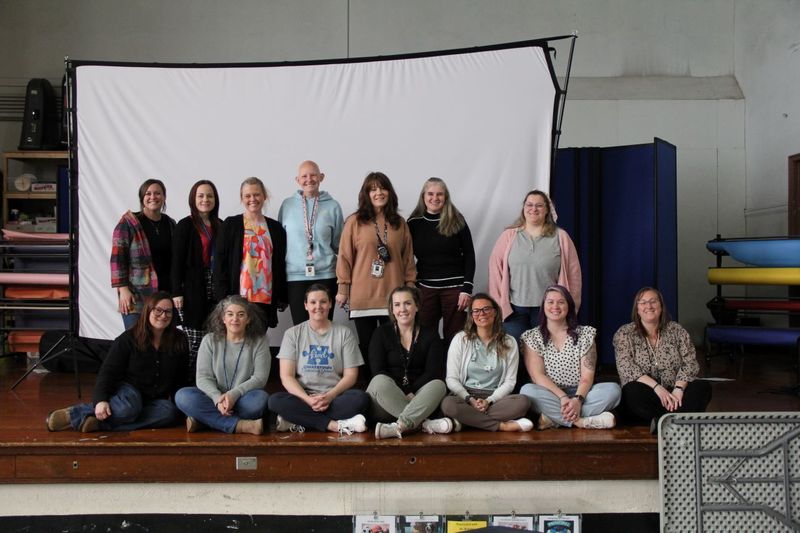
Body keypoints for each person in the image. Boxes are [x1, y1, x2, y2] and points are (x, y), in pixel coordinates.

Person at [45, 292, 188, 433]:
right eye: (158, 310)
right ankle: (74, 413)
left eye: (168, 312)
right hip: (129, 391)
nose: (163, 316)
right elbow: (108, 371)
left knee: (170, 413)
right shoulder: (128, 338)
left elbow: (180, 377)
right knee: (128, 409)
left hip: (153, 399)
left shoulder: (180, 340)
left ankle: (100, 424)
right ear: (148, 311)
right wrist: (100, 400)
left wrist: (183, 406)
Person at [488, 189, 581, 390]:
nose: (533, 209)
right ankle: (518, 398)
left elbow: (573, 276)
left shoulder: (560, 236)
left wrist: (570, 308)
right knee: (514, 357)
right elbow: (495, 271)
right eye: (529, 204)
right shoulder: (509, 236)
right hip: (514, 310)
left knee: (545, 356)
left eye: (539, 205)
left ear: (547, 210)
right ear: (523, 208)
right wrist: (498, 305)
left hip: (549, 312)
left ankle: (543, 397)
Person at [336, 172, 416, 367]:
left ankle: (392, 386)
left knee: (393, 345)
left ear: (389, 192)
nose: (378, 192)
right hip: (363, 296)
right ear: (366, 194)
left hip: (394, 297)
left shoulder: (399, 223)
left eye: (382, 188)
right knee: (368, 346)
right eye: (373, 189)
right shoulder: (354, 222)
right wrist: (342, 289)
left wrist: (411, 286)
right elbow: (344, 257)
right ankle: (372, 388)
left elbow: (408, 258)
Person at [268, 284, 370, 435]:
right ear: (305, 305)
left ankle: (297, 420)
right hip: (303, 398)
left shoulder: (344, 333)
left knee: (360, 398)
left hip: (334, 397)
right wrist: (308, 400)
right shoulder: (292, 334)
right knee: (274, 401)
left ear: (330, 304)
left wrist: (329, 396)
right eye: (313, 302)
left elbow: (351, 375)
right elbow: (286, 376)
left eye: (323, 302)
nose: (318, 306)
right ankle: (335, 425)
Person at [520, 285, 620, 430]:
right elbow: (538, 376)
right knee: (527, 391)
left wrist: (577, 401)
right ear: (543, 306)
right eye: (550, 302)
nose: (555, 306)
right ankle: (582, 422)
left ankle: (554, 419)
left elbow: (587, 376)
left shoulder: (585, 334)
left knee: (613, 390)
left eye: (561, 302)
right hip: (550, 394)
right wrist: (563, 397)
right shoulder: (532, 337)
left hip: (582, 393)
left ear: (569, 306)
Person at [613, 287, 712, 433]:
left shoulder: (677, 330)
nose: (649, 306)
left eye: (653, 301)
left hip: (676, 393)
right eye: (643, 303)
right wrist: (657, 388)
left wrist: (678, 389)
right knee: (631, 391)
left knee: (702, 387)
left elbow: (690, 363)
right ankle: (678, 421)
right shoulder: (624, 333)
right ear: (637, 309)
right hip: (647, 393)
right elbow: (627, 368)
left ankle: (662, 422)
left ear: (661, 305)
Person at [174, 296, 269, 435]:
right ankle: (240, 425)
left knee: (260, 400)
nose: (235, 319)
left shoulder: (259, 341)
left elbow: (260, 378)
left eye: (241, 314)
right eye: (230, 314)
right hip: (213, 399)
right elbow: (203, 377)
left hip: (243, 398)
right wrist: (218, 399)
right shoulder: (209, 340)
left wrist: (233, 395)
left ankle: (205, 420)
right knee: (182, 396)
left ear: (248, 319)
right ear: (223, 318)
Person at [440, 293, 533, 432]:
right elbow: (451, 378)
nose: (481, 314)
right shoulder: (461, 339)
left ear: (495, 312)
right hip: (466, 396)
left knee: (523, 402)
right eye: (476, 311)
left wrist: (489, 401)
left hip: (495, 398)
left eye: (486, 309)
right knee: (448, 405)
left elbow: (510, 382)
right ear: (471, 315)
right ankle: (502, 426)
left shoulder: (509, 342)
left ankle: (465, 421)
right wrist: (470, 400)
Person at [367, 286, 451, 439]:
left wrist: (413, 392)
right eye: (397, 305)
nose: (402, 309)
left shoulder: (430, 335)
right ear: (392, 309)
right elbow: (378, 370)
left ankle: (399, 426)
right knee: (379, 381)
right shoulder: (381, 333)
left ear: (417, 306)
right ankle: (423, 424)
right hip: (387, 401)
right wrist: (405, 392)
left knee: (439, 385)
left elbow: (433, 372)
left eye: (407, 303)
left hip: (419, 398)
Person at [407, 177, 476, 347]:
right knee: (423, 333)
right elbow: (406, 257)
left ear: (446, 197)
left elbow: (469, 254)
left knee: (455, 336)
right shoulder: (413, 223)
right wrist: (411, 285)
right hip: (425, 288)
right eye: (430, 194)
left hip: (455, 289)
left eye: (440, 194)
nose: (435, 198)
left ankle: (451, 372)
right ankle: (430, 372)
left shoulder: (457, 220)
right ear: (423, 196)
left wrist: (467, 288)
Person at [216, 177, 288, 330]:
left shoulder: (276, 228)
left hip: (265, 297)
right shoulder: (230, 225)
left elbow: (280, 263)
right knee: (237, 342)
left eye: (256, 194)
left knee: (259, 341)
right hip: (237, 298)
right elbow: (220, 262)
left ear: (264, 196)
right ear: (242, 198)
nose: (252, 199)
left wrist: (282, 295)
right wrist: (223, 297)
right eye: (247, 196)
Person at [277, 160, 343, 324]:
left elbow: (338, 245)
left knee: (324, 325)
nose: (309, 179)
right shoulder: (287, 205)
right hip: (295, 276)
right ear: (297, 180)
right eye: (304, 176)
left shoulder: (333, 206)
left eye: (313, 175)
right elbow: (281, 242)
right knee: (300, 327)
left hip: (326, 274)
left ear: (321, 177)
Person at [171, 180, 222, 380]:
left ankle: (209, 382)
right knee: (193, 338)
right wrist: (176, 291)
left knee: (215, 335)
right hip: (192, 287)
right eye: (200, 195)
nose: (205, 199)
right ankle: (187, 383)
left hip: (215, 285)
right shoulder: (185, 225)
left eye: (209, 195)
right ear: (193, 198)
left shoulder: (221, 225)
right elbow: (176, 261)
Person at [111, 179, 176, 330]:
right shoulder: (128, 223)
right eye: (148, 193)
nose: (153, 197)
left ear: (164, 197)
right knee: (136, 341)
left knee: (163, 342)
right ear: (142, 198)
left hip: (164, 294)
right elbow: (117, 259)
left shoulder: (171, 224)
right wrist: (123, 289)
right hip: (136, 294)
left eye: (157, 193)